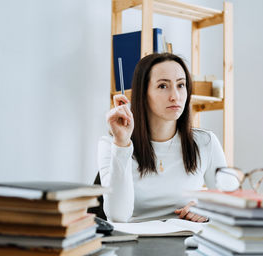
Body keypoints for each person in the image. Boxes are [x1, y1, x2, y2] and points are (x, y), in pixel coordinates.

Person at [98, 53, 229, 223]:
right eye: (162, 86)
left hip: (187, 242)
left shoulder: (205, 142)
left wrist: (206, 208)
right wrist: (122, 144)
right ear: (143, 93)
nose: (175, 96)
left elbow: (230, 206)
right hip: (133, 244)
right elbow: (117, 215)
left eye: (181, 85)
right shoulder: (110, 144)